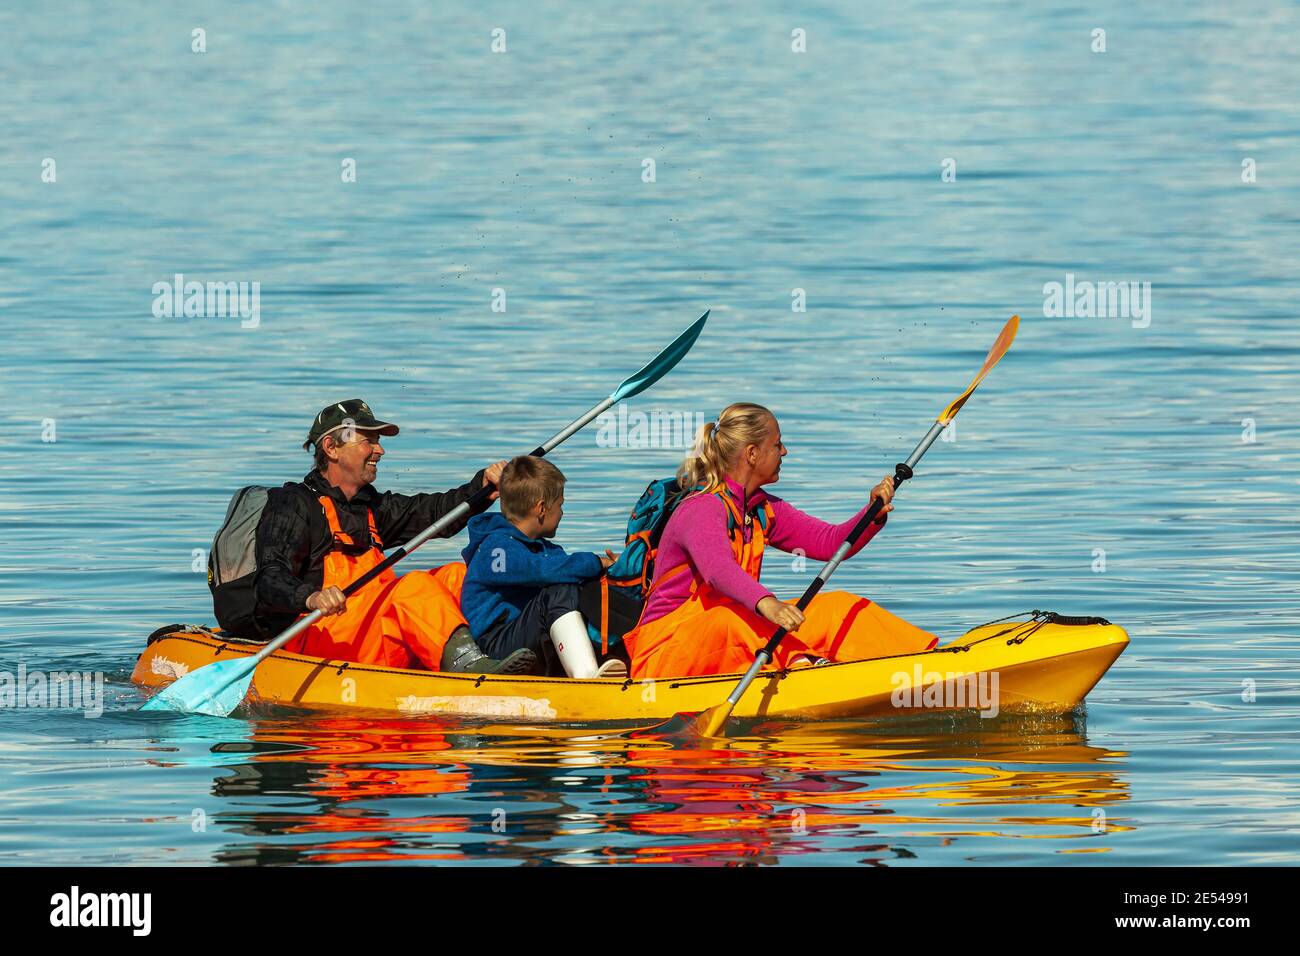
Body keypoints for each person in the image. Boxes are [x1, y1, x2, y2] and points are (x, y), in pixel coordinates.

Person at [621, 402, 938, 679]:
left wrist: (872, 514)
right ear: (752, 454)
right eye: (778, 444)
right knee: (732, 618)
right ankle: (805, 670)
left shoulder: (762, 508)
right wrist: (767, 603)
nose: (784, 451)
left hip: (734, 635)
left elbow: (830, 543)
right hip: (663, 654)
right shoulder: (701, 508)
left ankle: (929, 665)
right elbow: (719, 570)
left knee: (839, 606)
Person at [254, 399, 537, 674]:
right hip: (320, 640)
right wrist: (312, 597)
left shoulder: (371, 506)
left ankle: (500, 651)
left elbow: (436, 514)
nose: (380, 450)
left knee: (458, 575)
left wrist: (483, 489)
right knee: (414, 585)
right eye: (369, 441)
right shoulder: (291, 504)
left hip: (368, 636)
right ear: (331, 448)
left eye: (379, 441)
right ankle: (469, 669)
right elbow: (269, 578)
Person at [460, 456, 627, 678]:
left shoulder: (546, 550)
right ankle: (587, 677)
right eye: (560, 505)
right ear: (541, 508)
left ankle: (612, 659)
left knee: (584, 589)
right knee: (559, 590)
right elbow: (539, 569)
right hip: (493, 648)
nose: (562, 513)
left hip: (526, 639)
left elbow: (560, 569)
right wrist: (597, 562)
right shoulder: (495, 547)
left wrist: (616, 572)